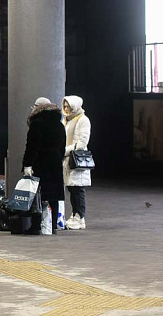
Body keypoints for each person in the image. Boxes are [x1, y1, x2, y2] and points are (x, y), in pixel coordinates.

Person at [22, 97, 66, 234]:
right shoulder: (59, 124)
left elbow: (32, 147)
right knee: (54, 195)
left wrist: (28, 164)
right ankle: (52, 226)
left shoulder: (37, 124)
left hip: (40, 162)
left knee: (38, 194)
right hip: (56, 162)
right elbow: (62, 147)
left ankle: (36, 225)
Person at [62, 95, 92, 230]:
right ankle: (74, 215)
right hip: (68, 160)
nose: (66, 109)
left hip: (76, 160)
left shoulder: (83, 120)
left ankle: (80, 217)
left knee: (78, 189)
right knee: (72, 189)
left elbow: (82, 142)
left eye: (68, 106)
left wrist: (65, 150)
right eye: (65, 106)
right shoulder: (67, 120)